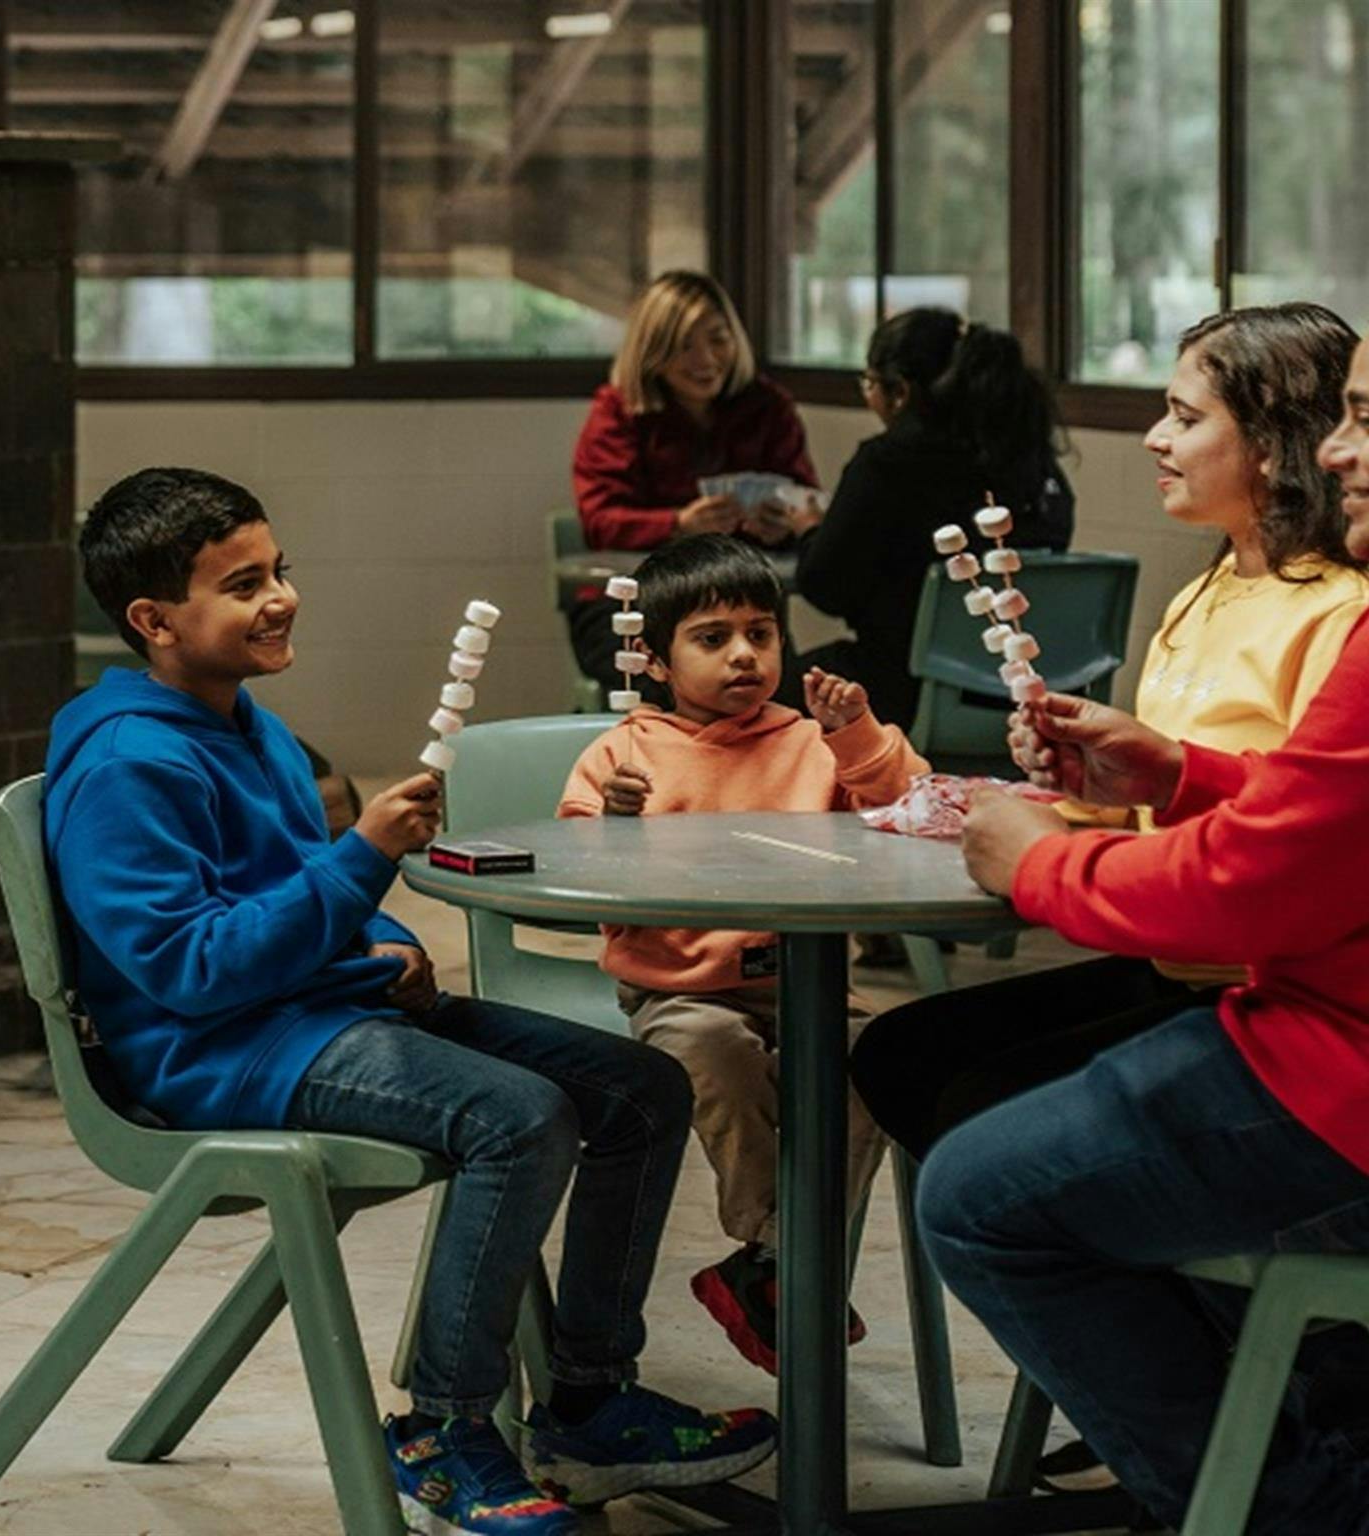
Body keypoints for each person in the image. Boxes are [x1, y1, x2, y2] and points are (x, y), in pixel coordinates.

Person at [44, 469, 777, 1536]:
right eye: (243, 585)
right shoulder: (127, 763)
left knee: (642, 1089)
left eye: (278, 570)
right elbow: (188, 970)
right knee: (518, 1118)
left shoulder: (246, 725)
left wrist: (386, 938)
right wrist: (364, 856)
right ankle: (442, 1427)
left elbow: (298, 889)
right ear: (155, 622)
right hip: (219, 1052)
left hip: (315, 1011)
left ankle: (586, 1403)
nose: (280, 598)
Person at [847, 302, 1369, 1491]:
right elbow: (1311, 815)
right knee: (915, 1064)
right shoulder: (1205, 589)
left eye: (1363, 422)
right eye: (1340, 419)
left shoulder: (1340, 612)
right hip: (1271, 989)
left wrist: (1039, 863)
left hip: (1311, 1038)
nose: (1339, 451)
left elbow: (1257, 884)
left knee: (976, 1188)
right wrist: (1176, 775)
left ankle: (1278, 1488)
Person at [556, 534, 928, 1374]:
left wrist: (857, 732)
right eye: (713, 638)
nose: (744, 655)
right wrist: (613, 824)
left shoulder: (812, 741)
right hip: (680, 990)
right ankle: (778, 1252)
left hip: (808, 986)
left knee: (873, 1062)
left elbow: (915, 809)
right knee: (713, 1049)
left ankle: (768, 1267)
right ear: (657, 660)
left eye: (761, 633)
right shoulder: (623, 754)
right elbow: (579, 875)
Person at [783, 309, 1074, 730]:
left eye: (869, 383)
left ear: (900, 391)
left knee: (755, 691)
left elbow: (825, 587)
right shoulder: (1037, 469)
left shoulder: (885, 465)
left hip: (902, 693)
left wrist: (810, 529)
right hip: (1022, 695)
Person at [565, 272, 820, 692]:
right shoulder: (619, 411)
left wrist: (784, 525)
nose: (705, 358)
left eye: (718, 339)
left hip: (737, 600)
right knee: (673, 688)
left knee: (778, 693)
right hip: (630, 602)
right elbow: (600, 521)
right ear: (653, 350)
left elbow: (806, 501)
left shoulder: (768, 407)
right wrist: (678, 524)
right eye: (684, 345)